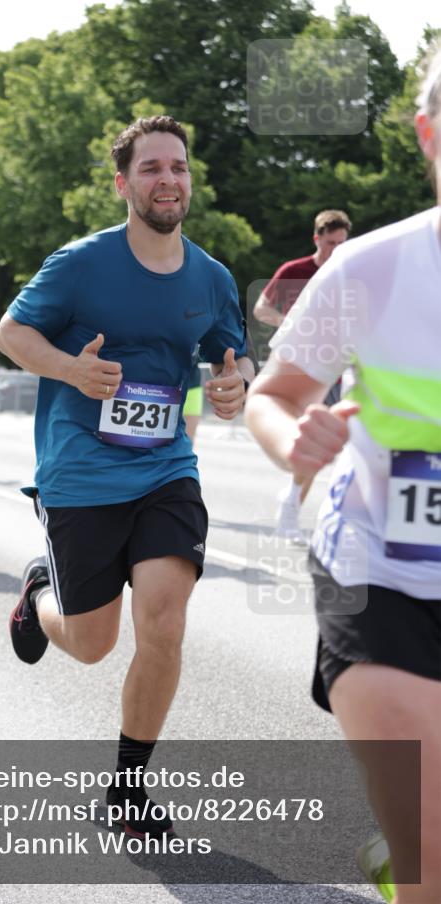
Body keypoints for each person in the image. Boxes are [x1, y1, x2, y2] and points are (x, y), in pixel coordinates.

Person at [0, 115, 254, 837]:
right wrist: (70, 369)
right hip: (81, 471)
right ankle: (39, 594)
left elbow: (231, 354)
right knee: (91, 645)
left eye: (178, 167)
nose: (167, 180)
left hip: (166, 468)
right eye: (150, 168)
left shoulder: (210, 276)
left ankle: (128, 788)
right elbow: (11, 333)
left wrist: (235, 384)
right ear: (123, 183)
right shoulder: (80, 263)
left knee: (164, 622)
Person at [245, 46, 441, 904]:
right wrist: (295, 440)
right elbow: (273, 394)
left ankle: (399, 851)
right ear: (427, 134)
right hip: (378, 573)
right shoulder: (368, 267)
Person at [252, 209, 352, 542]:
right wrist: (294, 324)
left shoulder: (350, 272)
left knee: (337, 446)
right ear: (316, 239)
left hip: (339, 368)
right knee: (311, 441)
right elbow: (261, 309)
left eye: (342, 243)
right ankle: (290, 513)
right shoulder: (294, 271)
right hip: (300, 368)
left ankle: (295, 502)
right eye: (330, 243)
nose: (336, 250)